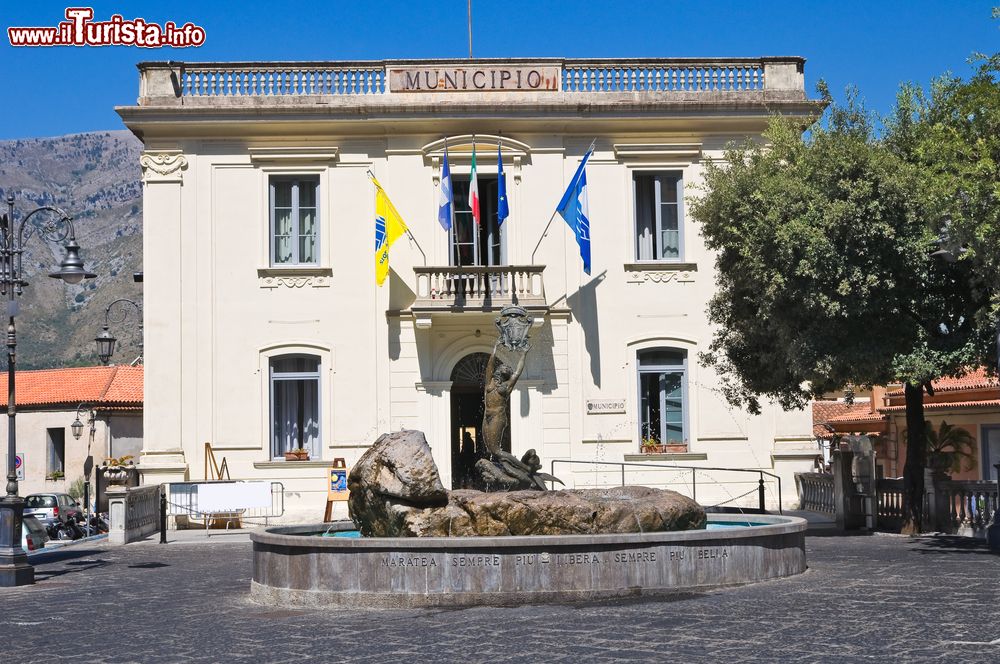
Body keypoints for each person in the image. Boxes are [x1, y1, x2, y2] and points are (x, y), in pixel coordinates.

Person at [481, 340, 527, 458]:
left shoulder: (507, 385)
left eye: (507, 368)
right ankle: (500, 467)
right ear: (499, 370)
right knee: (490, 449)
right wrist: (495, 348)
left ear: (508, 374)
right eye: (504, 366)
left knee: (496, 450)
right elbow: (489, 365)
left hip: (498, 416)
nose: (505, 367)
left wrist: (523, 354)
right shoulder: (490, 381)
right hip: (487, 417)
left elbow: (517, 372)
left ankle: (520, 466)